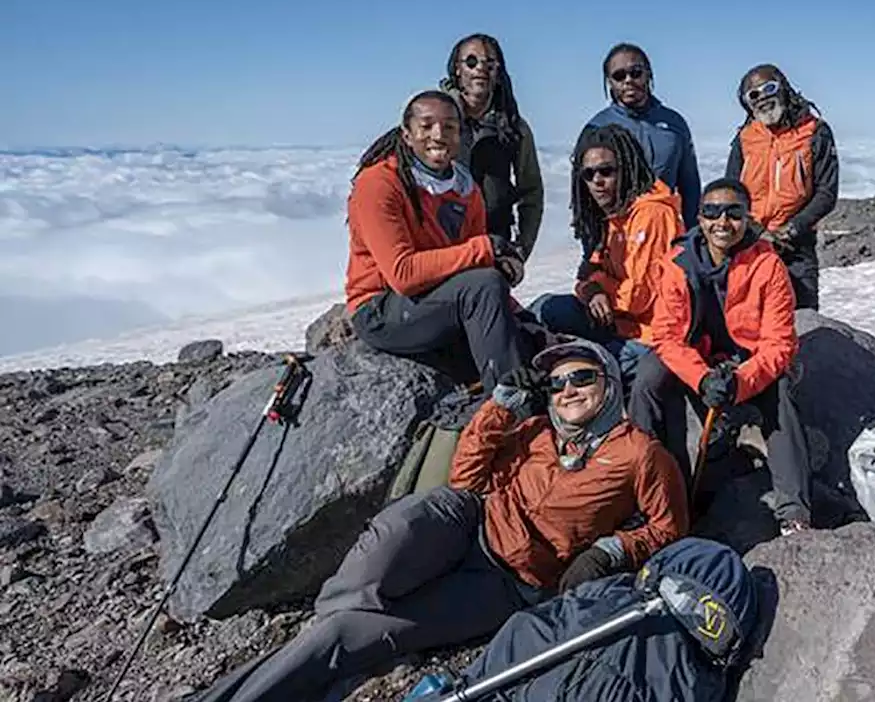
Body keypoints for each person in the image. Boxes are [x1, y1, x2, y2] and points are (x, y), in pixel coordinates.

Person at [193, 339, 690, 702]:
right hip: (465, 526)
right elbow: (466, 475)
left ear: (608, 383)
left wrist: (610, 551)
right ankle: (338, 620)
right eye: (558, 383)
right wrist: (499, 407)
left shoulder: (640, 454)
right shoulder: (535, 430)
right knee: (404, 522)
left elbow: (669, 527)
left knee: (343, 634)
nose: (568, 389)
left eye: (582, 377)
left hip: (511, 584)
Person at [628, 178, 813, 536]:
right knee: (647, 378)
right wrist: (701, 378)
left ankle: (794, 512)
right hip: (695, 358)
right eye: (712, 212)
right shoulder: (677, 262)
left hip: (747, 361)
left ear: (747, 218)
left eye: (733, 213)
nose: (722, 222)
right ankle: (641, 492)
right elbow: (666, 336)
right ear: (699, 217)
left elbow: (779, 344)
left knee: (779, 398)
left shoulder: (768, 265)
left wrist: (740, 383)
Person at [344, 90, 529, 391]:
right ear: (407, 134)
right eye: (426, 126)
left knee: (523, 332)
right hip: (379, 309)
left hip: (433, 303)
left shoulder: (465, 188)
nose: (439, 135)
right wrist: (485, 248)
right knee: (483, 286)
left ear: (460, 135)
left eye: (450, 127)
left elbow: (476, 269)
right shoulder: (380, 183)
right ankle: (511, 407)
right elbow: (403, 274)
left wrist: (519, 314)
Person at [530, 125, 683, 385]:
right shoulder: (614, 214)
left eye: (606, 171)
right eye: (588, 174)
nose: (597, 181)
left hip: (647, 335)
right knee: (542, 309)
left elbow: (638, 299)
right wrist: (592, 290)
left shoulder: (653, 215)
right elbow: (587, 273)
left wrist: (598, 287)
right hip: (615, 319)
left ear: (626, 168)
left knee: (573, 374)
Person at [725, 64, 838, 311]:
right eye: (753, 94)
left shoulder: (814, 132)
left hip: (797, 248)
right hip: (749, 244)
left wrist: (792, 229)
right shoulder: (744, 139)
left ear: (784, 88)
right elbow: (730, 193)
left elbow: (827, 192)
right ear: (747, 104)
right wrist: (756, 231)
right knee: (749, 323)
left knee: (803, 322)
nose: (763, 97)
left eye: (769, 87)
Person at [441, 33, 545, 259]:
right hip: (441, 247)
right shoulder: (436, 120)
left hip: (493, 247)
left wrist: (520, 250)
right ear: (457, 70)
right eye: (471, 61)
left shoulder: (513, 127)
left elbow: (531, 191)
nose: (480, 68)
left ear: (498, 72)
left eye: (490, 63)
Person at [580, 42, 701, 229]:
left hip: (664, 232)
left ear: (648, 74)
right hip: (617, 238)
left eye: (635, 72)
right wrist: (592, 246)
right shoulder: (596, 129)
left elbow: (690, 187)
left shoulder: (674, 124)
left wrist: (693, 239)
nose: (628, 80)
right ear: (609, 82)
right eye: (619, 76)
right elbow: (584, 195)